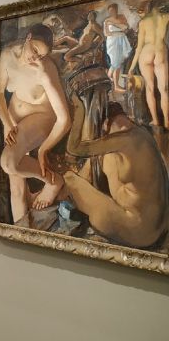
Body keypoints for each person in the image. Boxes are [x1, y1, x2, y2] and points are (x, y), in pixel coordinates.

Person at [64, 97, 169, 248]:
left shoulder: (124, 139)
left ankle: (75, 204)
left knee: (69, 178)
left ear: (107, 123)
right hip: (157, 228)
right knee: (102, 157)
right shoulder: (141, 133)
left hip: (137, 229)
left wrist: (79, 110)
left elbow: (74, 148)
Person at [0, 23, 71, 224]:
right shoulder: (7, 55)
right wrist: (7, 123)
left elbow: (64, 119)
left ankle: (53, 180)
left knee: (8, 163)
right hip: (12, 117)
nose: (36, 58)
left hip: (40, 117)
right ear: (28, 37)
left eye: (41, 55)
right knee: (16, 188)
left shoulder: (45, 70)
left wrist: (43, 150)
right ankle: (21, 230)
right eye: (35, 50)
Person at [128, 0, 169, 128]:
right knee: (164, 90)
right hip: (160, 51)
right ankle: (167, 122)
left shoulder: (143, 22)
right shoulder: (166, 17)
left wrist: (131, 68)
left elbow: (139, 48)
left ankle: (156, 121)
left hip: (146, 53)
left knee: (150, 89)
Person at [104, 3, 132, 92]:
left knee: (118, 61)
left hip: (122, 40)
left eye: (113, 10)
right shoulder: (106, 21)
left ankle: (109, 76)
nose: (112, 12)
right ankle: (116, 86)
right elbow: (106, 33)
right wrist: (119, 30)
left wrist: (115, 24)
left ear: (116, 10)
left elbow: (126, 28)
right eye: (110, 11)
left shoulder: (122, 17)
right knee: (116, 62)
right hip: (112, 42)